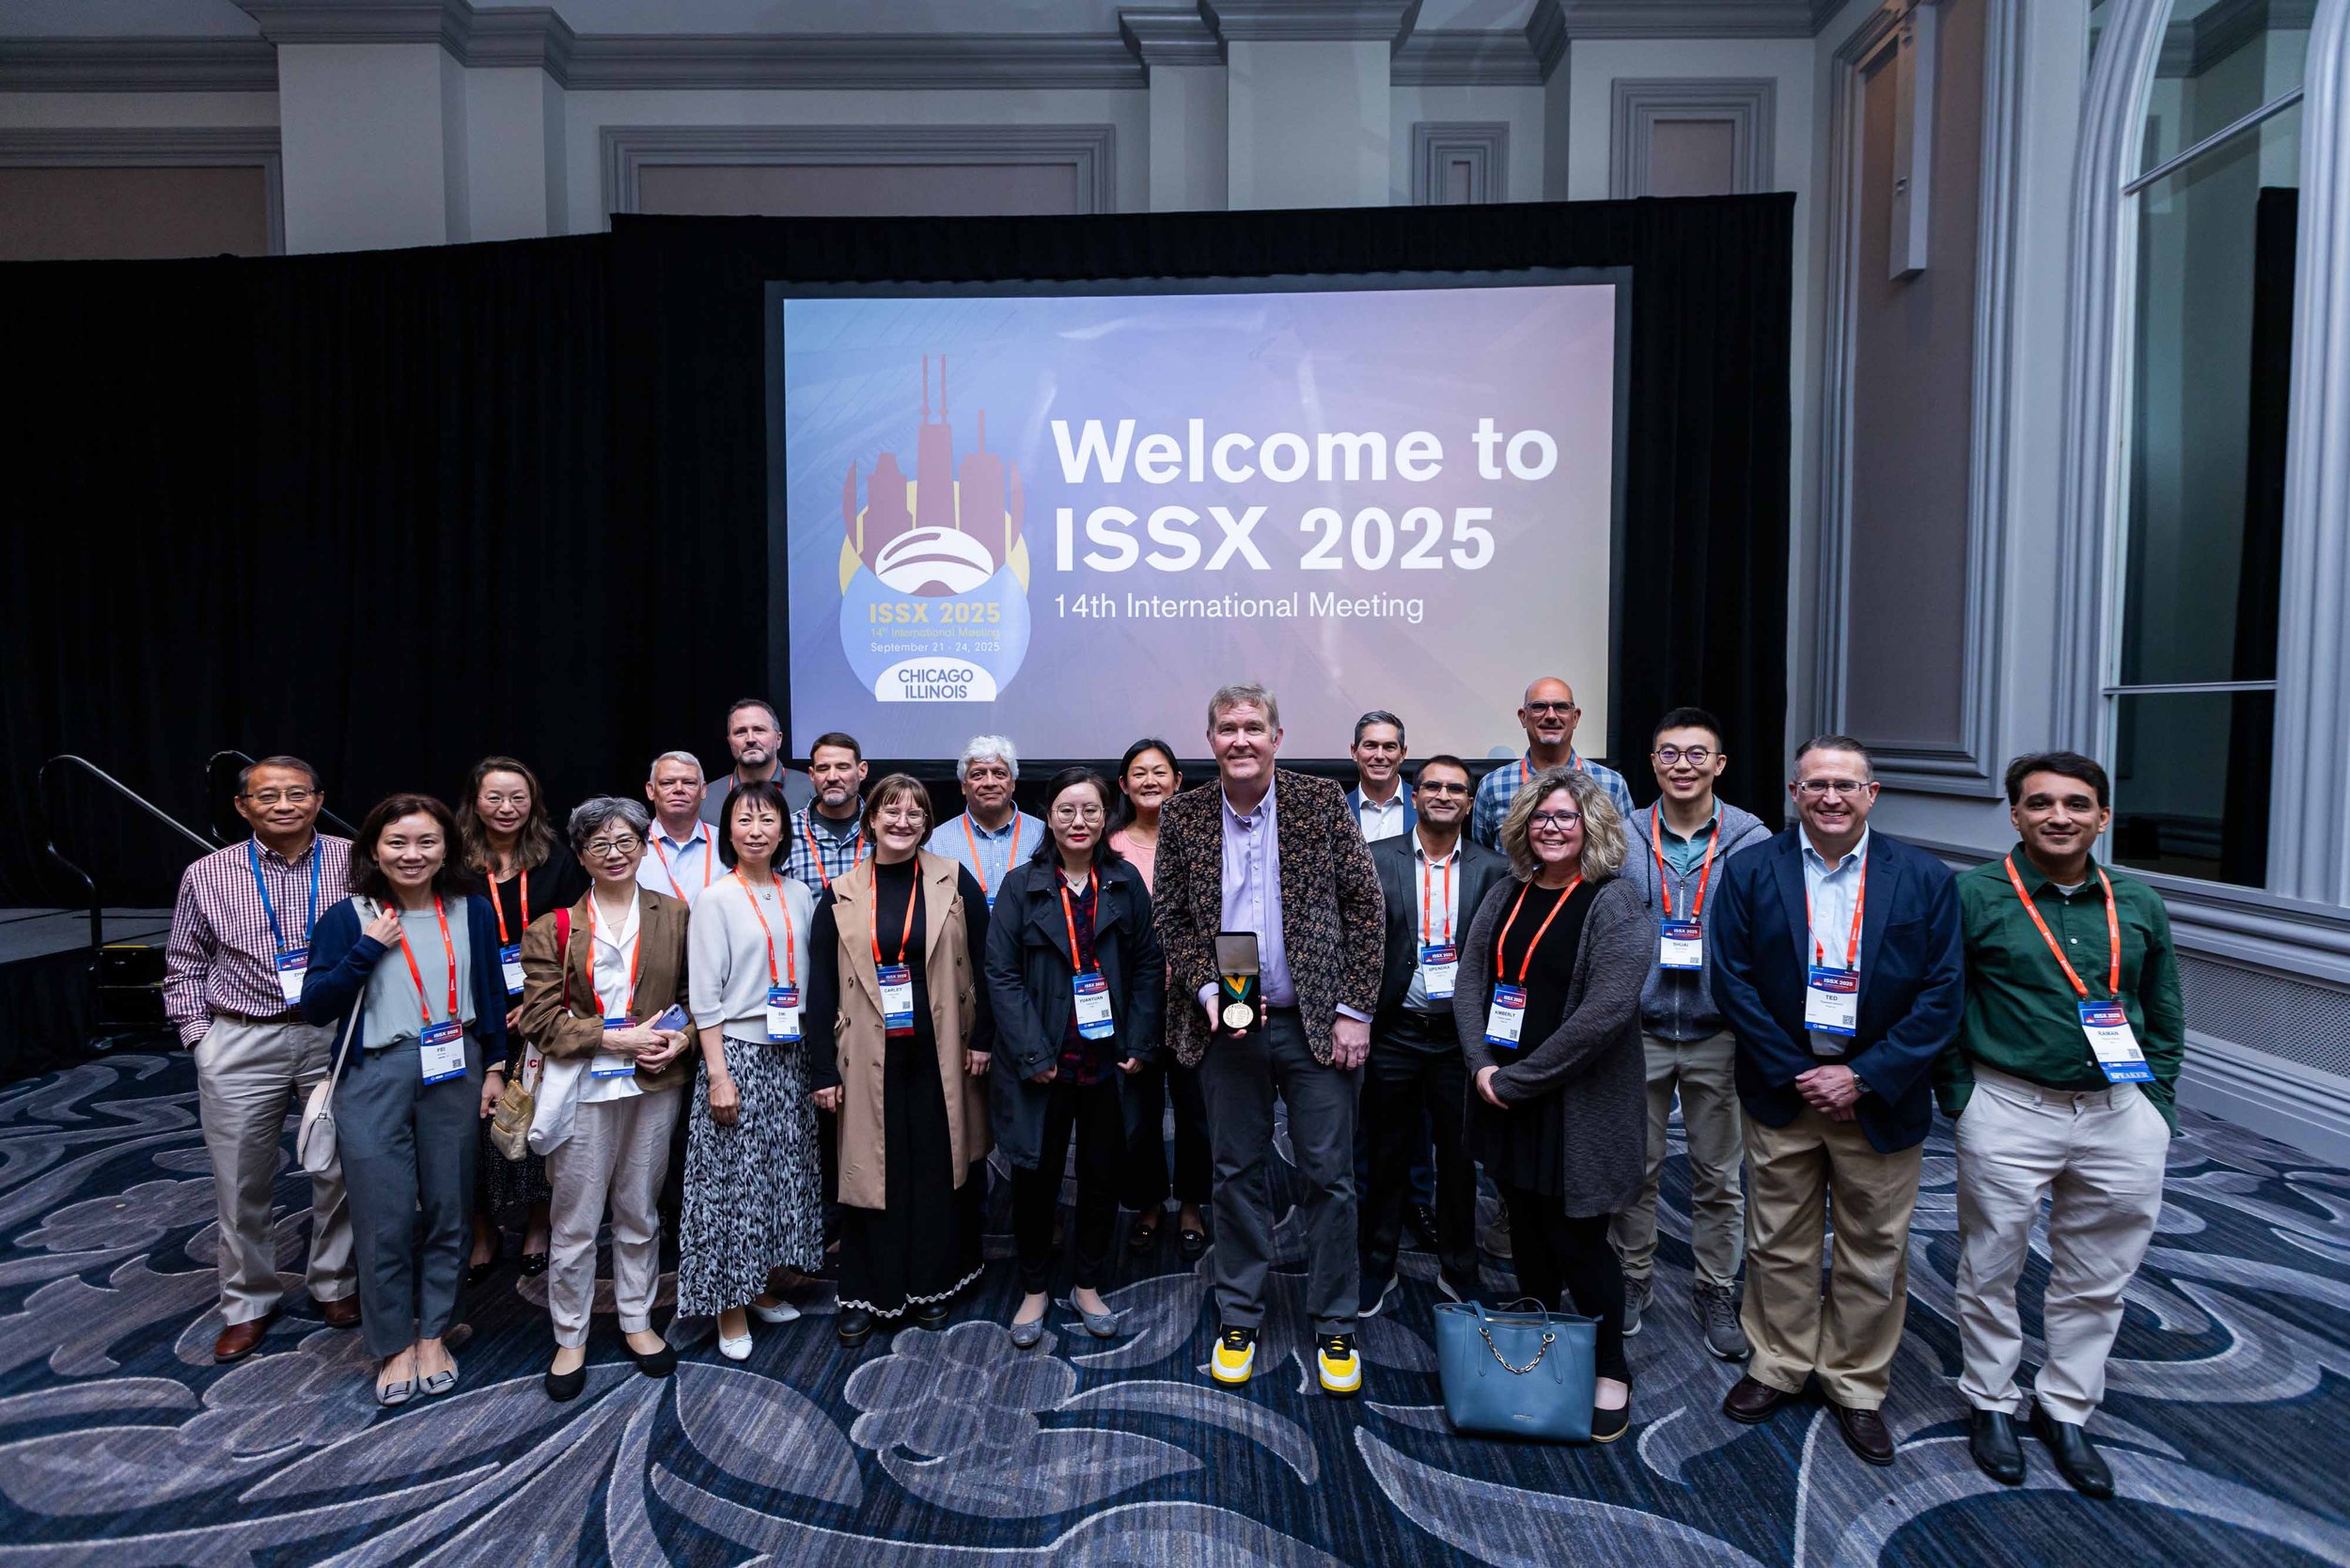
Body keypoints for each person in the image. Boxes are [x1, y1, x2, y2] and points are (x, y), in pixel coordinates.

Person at [1710, 735, 1964, 1466]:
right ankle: (1779, 1365)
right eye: (1815, 784)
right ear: (1794, 793)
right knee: (1777, 1242)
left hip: (1879, 1099)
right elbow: (1734, 982)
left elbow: (1944, 994)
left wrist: (1863, 1075)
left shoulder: (1921, 877)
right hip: (1784, 1093)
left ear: (1871, 794)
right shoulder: (1753, 870)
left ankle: (1855, 1383)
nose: (1830, 797)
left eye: (1845, 786)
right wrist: (1800, 1070)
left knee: (1873, 1251)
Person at [1943, 751, 2184, 1497]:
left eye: (2077, 805)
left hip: (2120, 1111)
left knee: (2099, 1273)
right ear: (2014, 815)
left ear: (2102, 817)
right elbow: (1943, 1001)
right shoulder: (1975, 895)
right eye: (2040, 804)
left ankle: (2066, 1406)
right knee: (1992, 1264)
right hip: (2010, 1107)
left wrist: (2159, 1107)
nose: (2059, 817)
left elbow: (2165, 1009)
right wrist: (1962, 1100)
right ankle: (1990, 1400)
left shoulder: (2138, 901)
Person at [1152, 682, 1384, 1397]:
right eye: (1228, 728)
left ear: (1277, 738)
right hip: (1230, 1020)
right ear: (1212, 740)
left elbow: (1364, 906)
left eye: (1254, 727)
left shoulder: (1319, 804)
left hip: (1316, 1020)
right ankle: (1240, 1313)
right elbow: (1174, 918)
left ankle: (1335, 1321)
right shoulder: (1185, 816)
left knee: (1328, 1175)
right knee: (1235, 1173)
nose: (1242, 739)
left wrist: (1355, 1009)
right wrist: (1210, 992)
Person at [1456, 768, 1648, 1441]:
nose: (1553, 827)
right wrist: (1482, 1065)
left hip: (1574, 1106)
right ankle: (1542, 1343)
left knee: (1580, 1242)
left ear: (1592, 825)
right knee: (1527, 1230)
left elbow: (1605, 1014)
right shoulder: (1506, 890)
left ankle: (1612, 1366)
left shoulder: (1614, 901)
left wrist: (1519, 1078)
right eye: (1541, 817)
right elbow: (1471, 979)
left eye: (1566, 817)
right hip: (1505, 1097)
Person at [300, 793, 508, 1406]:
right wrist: (367, 948)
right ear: (373, 850)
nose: (412, 855)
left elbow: (491, 994)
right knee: (383, 1214)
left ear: (447, 848)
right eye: (397, 843)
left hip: (455, 1068)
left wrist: (494, 1067)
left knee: (451, 1206)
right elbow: (315, 1006)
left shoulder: (470, 911)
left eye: (426, 842)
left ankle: (435, 1332)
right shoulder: (347, 916)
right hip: (375, 1074)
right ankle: (392, 1341)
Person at [163, 755, 360, 1362]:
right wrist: (202, 1040)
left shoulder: (356, 860)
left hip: (334, 1035)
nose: (283, 805)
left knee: (343, 1170)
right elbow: (184, 963)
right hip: (243, 1039)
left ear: (319, 798)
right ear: (243, 806)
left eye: (297, 793)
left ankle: (335, 1283)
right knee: (243, 1181)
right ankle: (247, 1302)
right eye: (267, 795)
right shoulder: (207, 873)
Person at [515, 797, 695, 1402]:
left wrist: (679, 1040)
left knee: (640, 1210)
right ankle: (570, 1334)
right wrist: (615, 1039)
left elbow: (696, 998)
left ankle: (638, 1321)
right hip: (583, 1089)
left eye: (625, 842)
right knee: (575, 1218)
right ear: (581, 854)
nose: (614, 854)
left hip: (653, 1084)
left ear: (645, 846)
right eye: (599, 845)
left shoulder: (675, 915)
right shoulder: (551, 928)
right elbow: (539, 1020)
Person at [806, 775, 995, 1345]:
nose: (903, 821)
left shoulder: (953, 880)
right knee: (870, 1171)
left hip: (941, 1050)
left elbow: (988, 967)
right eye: (892, 810)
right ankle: (870, 1291)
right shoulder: (839, 892)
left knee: (936, 1167)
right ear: (872, 818)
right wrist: (820, 1068)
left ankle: (933, 1283)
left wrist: (983, 1038)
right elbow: (819, 989)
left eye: (916, 812)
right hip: (865, 1053)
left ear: (927, 822)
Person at [1608, 709, 1772, 1355]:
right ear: (1653, 764)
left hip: (1717, 1031)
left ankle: (1714, 1286)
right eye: (1669, 753)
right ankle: (1632, 1275)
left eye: (1696, 754)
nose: (1683, 765)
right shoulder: (1622, 836)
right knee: (1637, 1168)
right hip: (1640, 1029)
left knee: (1719, 1174)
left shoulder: (1750, 838)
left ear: (1720, 764)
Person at [984, 768, 1165, 1345]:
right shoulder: (1022, 885)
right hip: (1044, 1060)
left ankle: (1088, 1283)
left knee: (1102, 1173)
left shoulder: (1125, 883)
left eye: (1090, 810)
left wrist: (1139, 1043)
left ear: (1106, 815)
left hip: (1109, 1061)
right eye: (1066, 810)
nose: (1078, 821)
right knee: (1034, 1176)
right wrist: (1032, 1051)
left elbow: (1147, 967)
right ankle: (1035, 1288)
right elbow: (1002, 975)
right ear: (1049, 816)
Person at [679, 778, 824, 1359]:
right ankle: (728, 1308)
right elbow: (705, 997)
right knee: (730, 1189)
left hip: (792, 1055)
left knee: (775, 1181)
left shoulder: (800, 894)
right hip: (736, 1054)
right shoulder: (715, 898)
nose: (756, 831)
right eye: (744, 821)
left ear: (784, 830)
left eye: (768, 821)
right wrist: (718, 1074)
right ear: (728, 832)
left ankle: (760, 1286)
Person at [1360, 754, 1506, 1309]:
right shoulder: (1375, 860)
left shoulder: (1494, 869)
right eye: (1432, 786)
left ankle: (1459, 1266)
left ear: (1470, 803)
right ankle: (1377, 1262)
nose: (1444, 795)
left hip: (1460, 1039)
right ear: (1414, 796)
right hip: (1394, 1029)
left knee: (1459, 1156)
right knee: (1385, 1150)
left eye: (1456, 789)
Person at [454, 755, 587, 1284]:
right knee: (471, 1125)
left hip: (543, 1009)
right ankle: (483, 1229)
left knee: (538, 1118)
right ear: (475, 802)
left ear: (533, 803)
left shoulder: (556, 859)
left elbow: (578, 936)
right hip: (464, 1012)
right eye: (494, 797)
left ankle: (537, 1224)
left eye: (518, 798)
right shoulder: (452, 862)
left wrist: (536, 1003)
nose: (507, 808)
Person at [1111, 738, 1210, 1259]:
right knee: (1138, 1113)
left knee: (1198, 1110)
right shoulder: (1109, 849)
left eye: (1160, 772)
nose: (1150, 781)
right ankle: (1148, 1201)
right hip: (1133, 1002)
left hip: (1196, 999)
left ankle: (1193, 1202)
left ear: (1178, 781)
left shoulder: (1202, 842)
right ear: (1124, 785)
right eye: (1139, 773)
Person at [1470, 677, 1634, 852]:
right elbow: (1482, 860)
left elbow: (1627, 853)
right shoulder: (1493, 786)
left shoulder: (1612, 784)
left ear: (1575, 717)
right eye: (1539, 707)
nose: (1550, 716)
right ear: (1523, 717)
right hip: (1516, 880)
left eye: (1561, 707)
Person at [927, 734, 1046, 910]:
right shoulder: (936, 843)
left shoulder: (1044, 836)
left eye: (999, 773)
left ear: (1013, 783)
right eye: (978, 774)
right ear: (963, 786)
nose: (990, 783)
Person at [698, 697, 814, 823]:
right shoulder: (706, 798)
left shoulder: (812, 790)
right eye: (740, 732)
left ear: (778, 739)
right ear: (730, 742)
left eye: (759, 730)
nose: (750, 739)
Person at [786, 730, 870, 894]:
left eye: (842, 767)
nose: (832, 777)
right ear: (812, 775)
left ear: (862, 771)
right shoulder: (786, 830)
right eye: (823, 768)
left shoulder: (883, 828)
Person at [642, 750, 722, 908]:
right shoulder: (629, 847)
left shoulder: (727, 843)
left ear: (703, 790)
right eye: (667, 783)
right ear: (651, 791)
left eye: (689, 782)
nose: (679, 789)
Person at [1345, 711, 1416, 843]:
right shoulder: (1336, 809)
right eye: (1370, 746)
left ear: (1403, 753)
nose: (1379, 756)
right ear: (1354, 751)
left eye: (1389, 747)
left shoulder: (1426, 804)